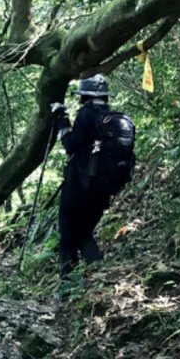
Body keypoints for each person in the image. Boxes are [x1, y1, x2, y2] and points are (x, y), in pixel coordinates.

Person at [50, 74, 135, 281]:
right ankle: (100, 272)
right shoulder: (117, 119)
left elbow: (71, 145)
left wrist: (62, 120)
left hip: (79, 186)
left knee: (68, 234)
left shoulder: (87, 114)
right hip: (104, 188)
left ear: (84, 96)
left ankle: (67, 284)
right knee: (84, 233)